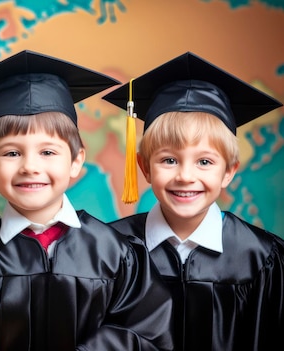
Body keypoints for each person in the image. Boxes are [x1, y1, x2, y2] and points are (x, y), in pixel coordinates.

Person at [0, 50, 174, 351]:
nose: (30, 166)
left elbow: (147, 337)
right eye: (12, 153)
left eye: (47, 152)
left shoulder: (116, 252)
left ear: (76, 162)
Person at [103, 51, 284, 350]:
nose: (186, 176)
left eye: (204, 162)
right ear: (145, 167)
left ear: (229, 172)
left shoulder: (262, 258)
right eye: (169, 160)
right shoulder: (109, 248)